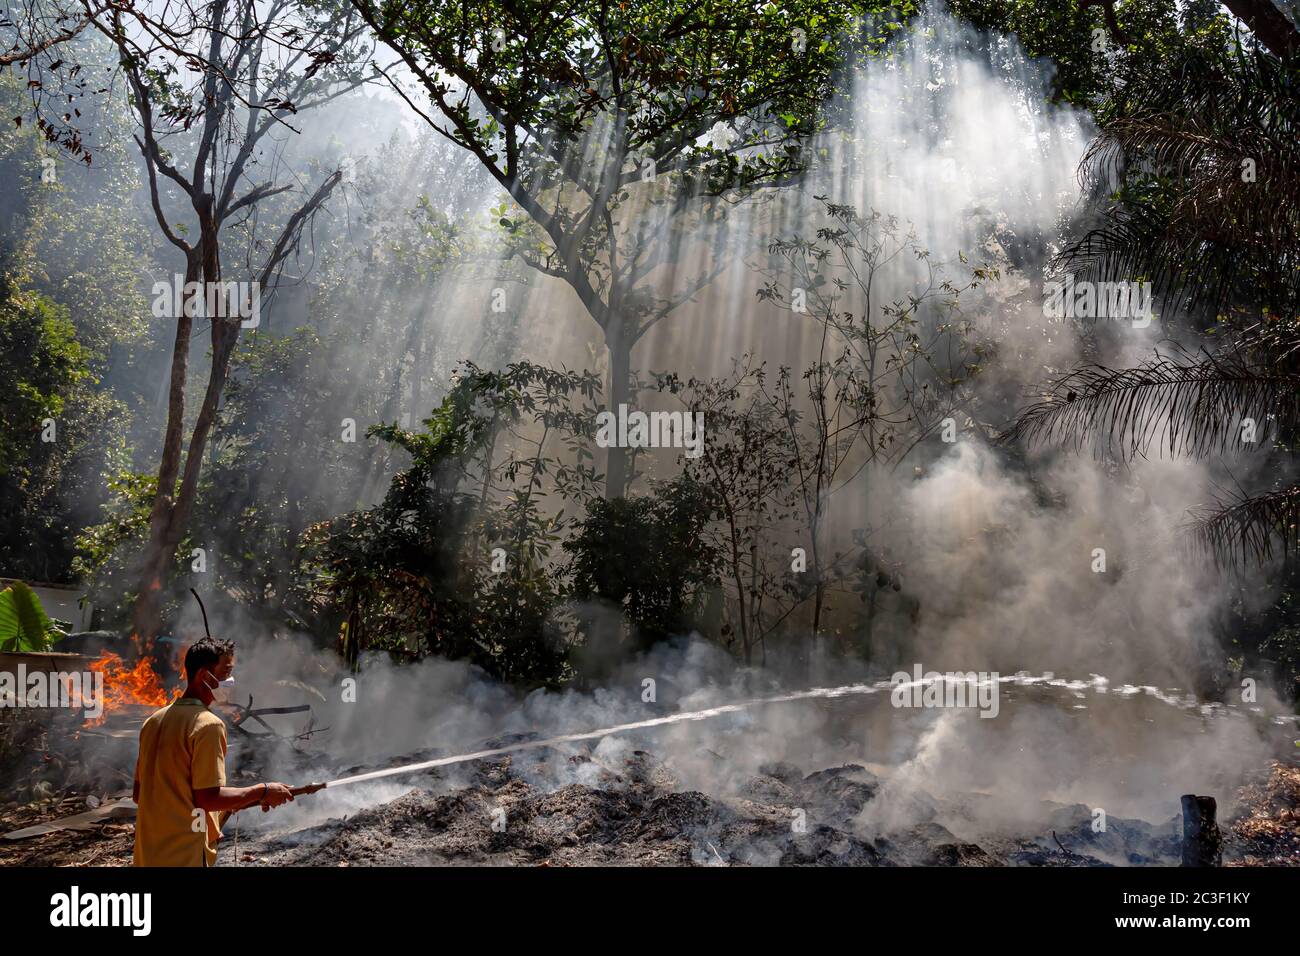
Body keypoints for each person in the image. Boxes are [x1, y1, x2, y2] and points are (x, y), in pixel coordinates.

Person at [133, 636, 294, 866]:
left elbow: (141, 795)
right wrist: (263, 790)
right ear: (203, 675)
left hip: (147, 855)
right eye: (226, 672)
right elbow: (208, 798)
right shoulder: (208, 725)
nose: (230, 681)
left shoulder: (153, 721)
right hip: (184, 856)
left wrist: (243, 802)